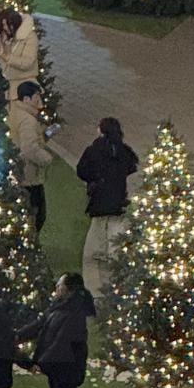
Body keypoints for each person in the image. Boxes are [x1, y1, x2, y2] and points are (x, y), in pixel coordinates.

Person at [19, 271, 95, 388]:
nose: (56, 288)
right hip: (58, 364)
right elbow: (39, 325)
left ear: (68, 290)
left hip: (66, 365)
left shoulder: (74, 312)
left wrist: (41, 361)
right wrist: (17, 335)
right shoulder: (59, 308)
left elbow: (62, 341)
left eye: (60, 285)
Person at [74, 116, 138, 297]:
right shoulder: (124, 151)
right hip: (118, 201)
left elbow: (82, 171)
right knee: (115, 238)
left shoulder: (94, 150)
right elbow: (132, 166)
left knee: (96, 242)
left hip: (100, 201)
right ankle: (116, 270)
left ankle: (98, 287)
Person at [6, 81, 54, 235]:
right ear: (26, 99)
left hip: (18, 172)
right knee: (37, 215)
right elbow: (29, 148)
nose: (39, 102)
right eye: (36, 98)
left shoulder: (15, 114)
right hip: (29, 176)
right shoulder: (28, 120)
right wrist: (47, 159)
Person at [0, 8, 38, 95]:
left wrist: (4, 55)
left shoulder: (30, 37)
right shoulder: (4, 36)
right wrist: (2, 45)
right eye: (3, 25)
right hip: (5, 86)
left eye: (8, 25)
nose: (5, 28)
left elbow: (27, 63)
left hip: (23, 88)